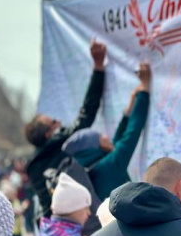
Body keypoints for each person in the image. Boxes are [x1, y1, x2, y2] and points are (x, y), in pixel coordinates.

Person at [25, 39, 107, 214]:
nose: (60, 123)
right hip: (74, 224)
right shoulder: (58, 145)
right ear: (49, 134)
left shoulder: (32, 166)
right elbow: (86, 116)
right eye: (54, 123)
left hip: (50, 226)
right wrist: (98, 67)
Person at [62, 61, 152, 201]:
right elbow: (131, 133)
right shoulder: (109, 165)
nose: (105, 136)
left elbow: (117, 141)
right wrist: (145, 88)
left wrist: (130, 106)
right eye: (100, 138)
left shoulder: (94, 168)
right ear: (94, 147)